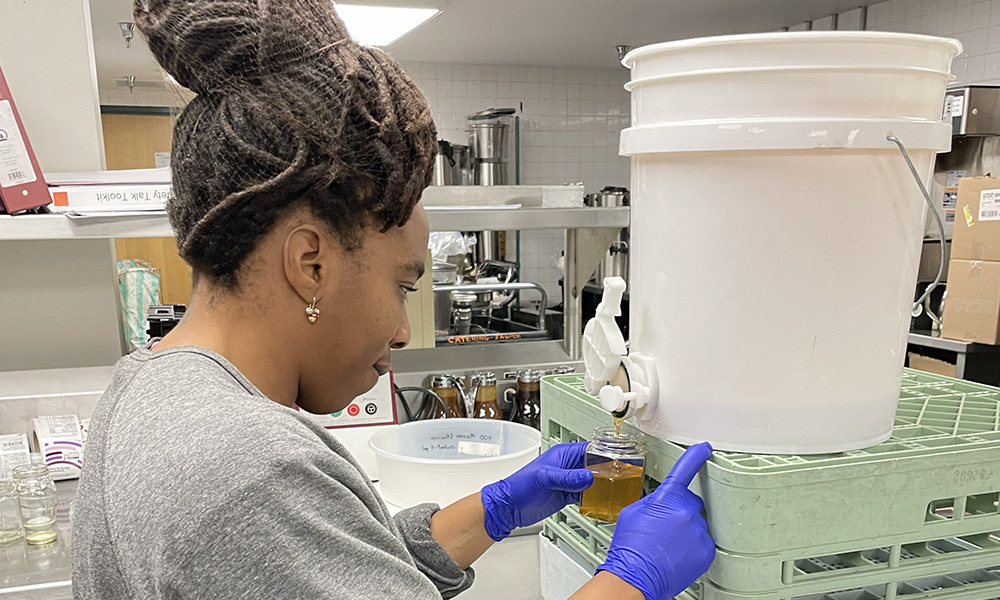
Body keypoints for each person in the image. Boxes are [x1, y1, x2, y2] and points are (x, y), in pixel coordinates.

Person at [71, 0, 716, 598]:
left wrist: (495, 507)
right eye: (403, 286)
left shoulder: (146, 388)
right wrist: (633, 579)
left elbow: (329, 568)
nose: (404, 331)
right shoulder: (250, 473)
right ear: (310, 262)